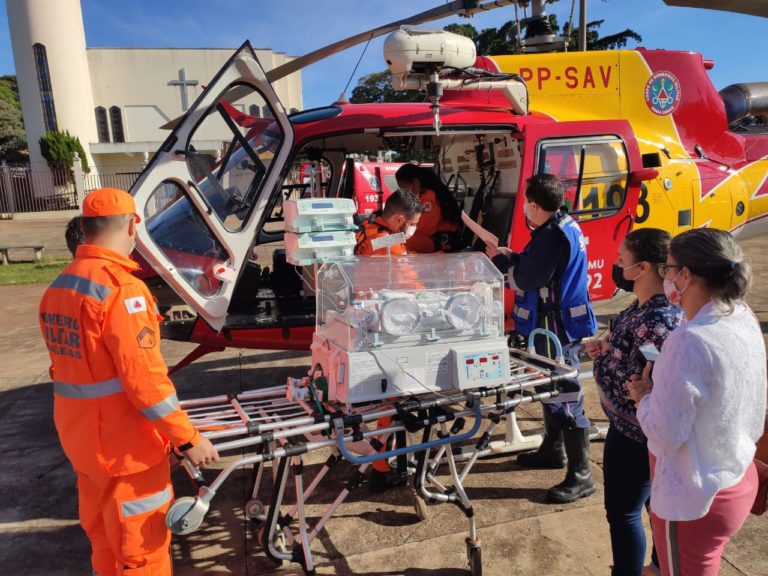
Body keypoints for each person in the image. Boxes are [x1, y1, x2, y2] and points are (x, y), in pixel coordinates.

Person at [39, 187, 219, 576]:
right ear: (133, 225)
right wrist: (186, 438)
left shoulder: (60, 286)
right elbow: (146, 383)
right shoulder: (122, 291)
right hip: (127, 451)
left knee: (104, 541)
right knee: (143, 550)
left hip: (83, 443)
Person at [627, 228, 766, 576]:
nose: (666, 277)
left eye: (668, 269)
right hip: (737, 476)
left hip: (695, 500)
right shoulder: (741, 315)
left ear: (685, 275)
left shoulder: (689, 339)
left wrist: (643, 398)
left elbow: (664, 434)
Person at [487, 173, 597, 503]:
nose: (524, 209)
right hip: (557, 325)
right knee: (548, 387)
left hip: (555, 329)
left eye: (526, 204)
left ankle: (582, 474)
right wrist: (517, 257)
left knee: (565, 394)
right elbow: (542, 268)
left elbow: (525, 280)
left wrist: (500, 262)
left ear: (534, 206)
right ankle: (554, 447)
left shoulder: (551, 236)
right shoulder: (561, 226)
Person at [585, 228, 684, 576]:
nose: (616, 265)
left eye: (621, 260)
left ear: (642, 268)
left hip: (637, 435)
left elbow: (637, 383)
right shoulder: (641, 307)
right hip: (631, 429)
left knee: (626, 512)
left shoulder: (657, 320)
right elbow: (628, 360)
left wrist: (601, 361)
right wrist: (607, 349)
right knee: (652, 507)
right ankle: (657, 566)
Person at [395, 163, 461, 253]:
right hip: (437, 240)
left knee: (406, 242)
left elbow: (423, 231)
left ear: (415, 183)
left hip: (444, 242)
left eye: (404, 188)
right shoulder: (428, 195)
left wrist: (392, 239)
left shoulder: (429, 197)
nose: (404, 193)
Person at [354, 188, 424, 256]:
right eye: (412, 224)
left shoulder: (367, 228)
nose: (415, 227)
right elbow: (404, 266)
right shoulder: (392, 248)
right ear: (399, 220)